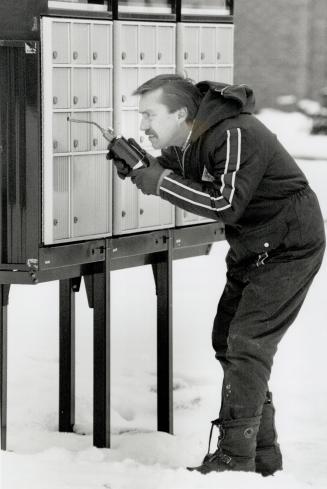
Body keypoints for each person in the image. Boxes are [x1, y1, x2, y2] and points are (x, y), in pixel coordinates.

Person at [108, 74, 326, 476]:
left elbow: (226, 203)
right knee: (227, 339)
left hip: (288, 245)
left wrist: (159, 181)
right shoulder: (193, 141)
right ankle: (261, 452)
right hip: (253, 247)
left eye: (149, 115)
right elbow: (178, 172)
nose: (143, 125)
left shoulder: (236, 133)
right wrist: (146, 166)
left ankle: (234, 458)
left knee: (247, 343)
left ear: (180, 113)